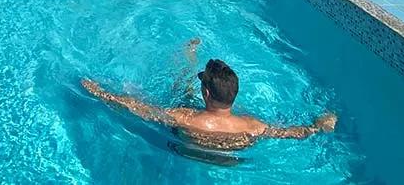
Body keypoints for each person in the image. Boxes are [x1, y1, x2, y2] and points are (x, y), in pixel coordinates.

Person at [82, 48, 336, 152]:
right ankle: (188, 58)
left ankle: (187, 59)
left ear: (206, 93)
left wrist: (101, 93)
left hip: (185, 149)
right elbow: (293, 133)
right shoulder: (253, 125)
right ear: (234, 94)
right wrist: (319, 125)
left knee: (181, 91)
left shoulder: (183, 117)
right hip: (228, 163)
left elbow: (137, 108)